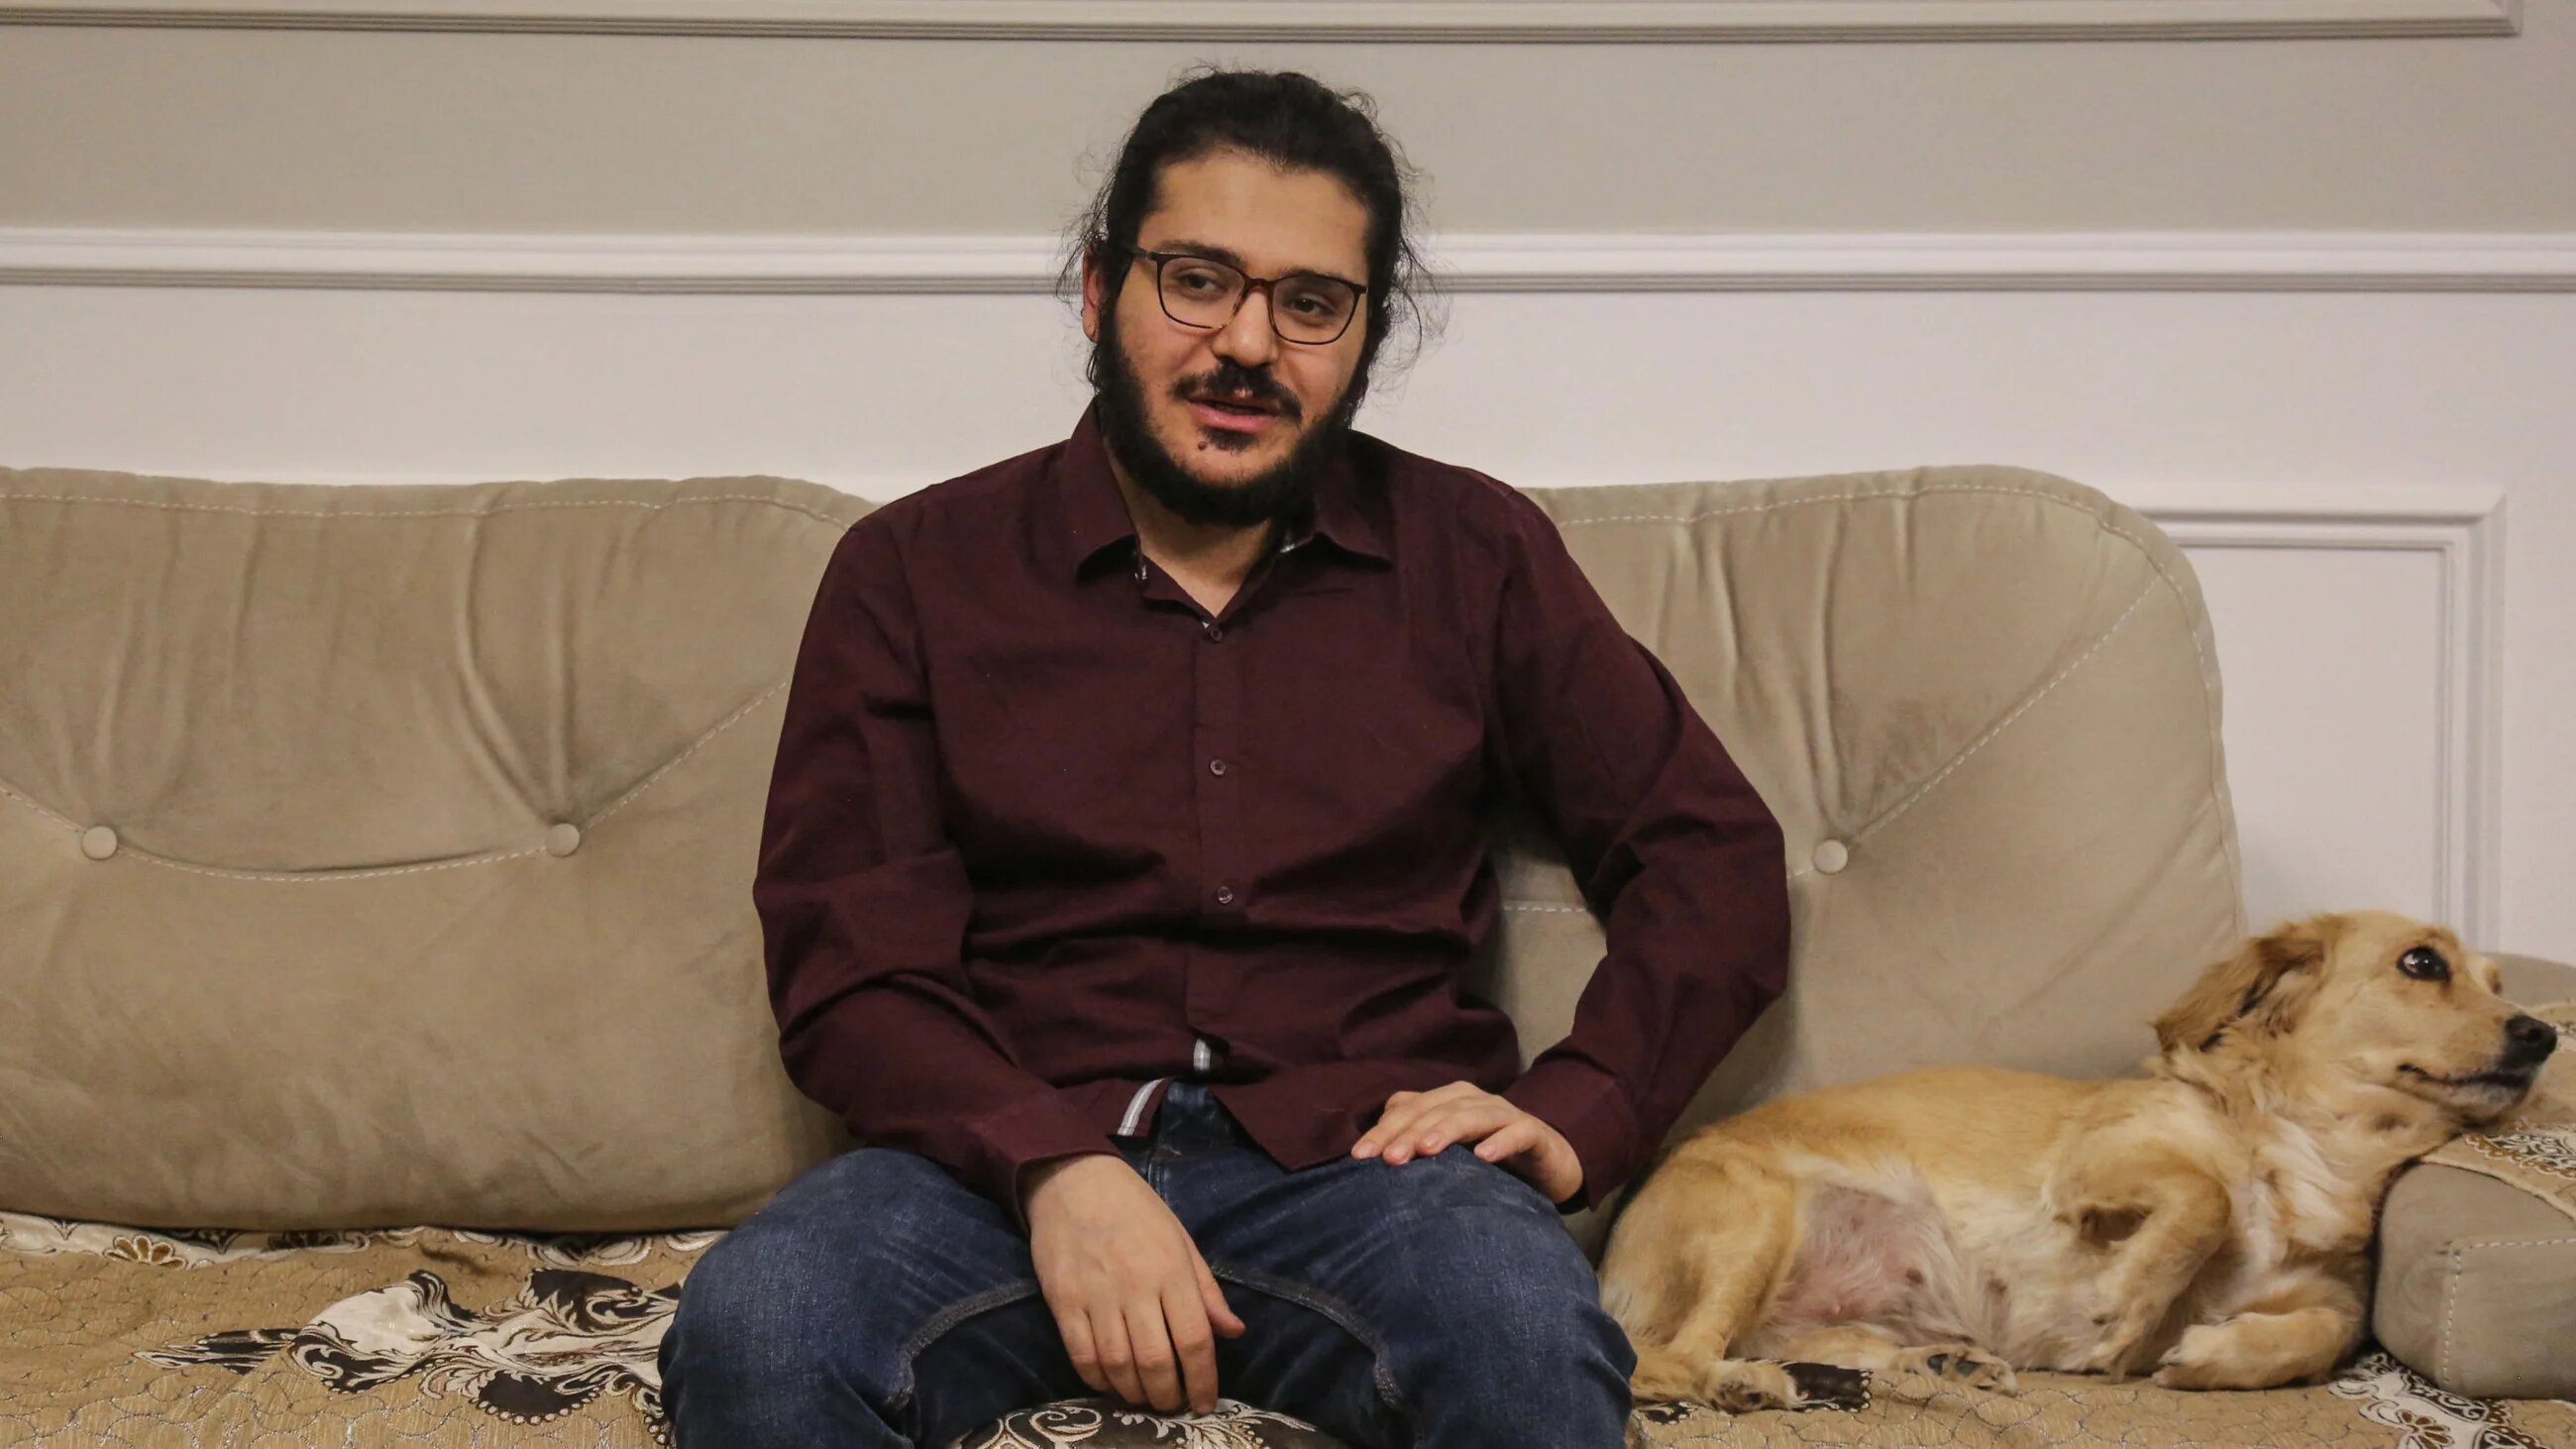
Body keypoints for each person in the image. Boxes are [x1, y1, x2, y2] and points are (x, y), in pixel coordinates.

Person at [658, 67, 1790, 1449]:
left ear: (1365, 336)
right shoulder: (913, 572)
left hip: (1376, 1172)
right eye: (1197, 279)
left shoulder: (1476, 555)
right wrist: (1053, 1163)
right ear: (1098, 292)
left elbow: (1709, 850)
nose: (1248, 344)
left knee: (1525, 1334)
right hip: (992, 1167)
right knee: (758, 1327)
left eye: (1311, 302)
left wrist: (1582, 1104)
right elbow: (850, 962)